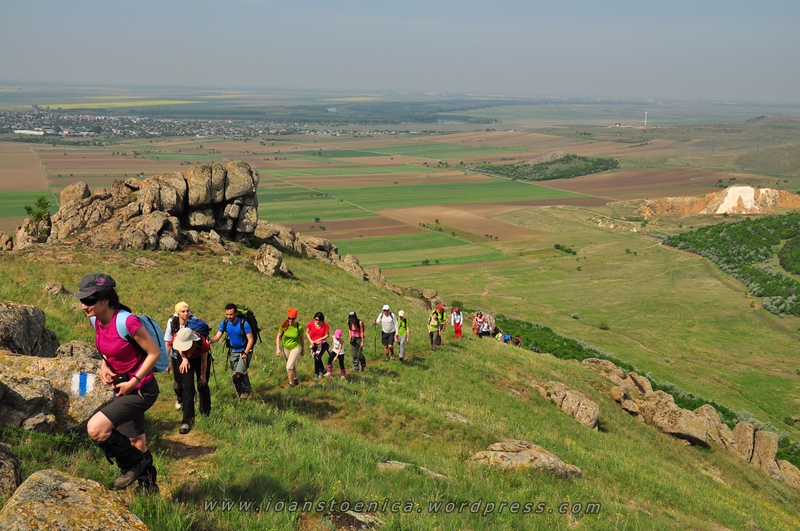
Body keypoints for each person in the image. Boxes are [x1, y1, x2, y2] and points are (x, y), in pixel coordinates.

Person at [79, 273, 160, 493]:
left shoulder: (127, 321)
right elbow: (108, 349)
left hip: (141, 390)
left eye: (89, 301)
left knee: (96, 429)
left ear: (106, 300)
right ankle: (149, 489)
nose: (84, 306)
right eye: (82, 301)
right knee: (136, 442)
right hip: (122, 388)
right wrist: (104, 365)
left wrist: (134, 381)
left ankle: (132, 464)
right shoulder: (95, 319)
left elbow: (154, 353)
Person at [209, 303, 254, 399]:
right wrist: (211, 340)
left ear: (236, 313)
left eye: (231, 314)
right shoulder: (224, 322)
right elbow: (217, 336)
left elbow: (251, 339)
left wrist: (246, 352)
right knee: (235, 375)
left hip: (244, 350)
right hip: (233, 350)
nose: (229, 317)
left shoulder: (244, 323)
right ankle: (240, 394)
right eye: (227, 314)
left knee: (239, 373)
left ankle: (246, 391)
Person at [171, 327, 211, 434]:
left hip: (200, 360)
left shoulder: (203, 343)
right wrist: (184, 358)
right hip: (183, 357)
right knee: (188, 386)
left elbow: (204, 361)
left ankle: (205, 412)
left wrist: (202, 376)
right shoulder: (177, 337)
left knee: (202, 385)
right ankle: (187, 421)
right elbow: (176, 347)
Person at [163, 301, 192, 411]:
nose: (186, 313)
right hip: (175, 356)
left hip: (190, 356)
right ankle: (180, 399)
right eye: (183, 311)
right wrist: (166, 361)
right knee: (178, 381)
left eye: (187, 311)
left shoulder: (192, 321)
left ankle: (189, 400)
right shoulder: (172, 322)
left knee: (188, 380)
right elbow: (168, 342)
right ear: (178, 312)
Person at [276, 308, 305, 387]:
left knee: (289, 367)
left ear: (295, 318)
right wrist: (278, 349)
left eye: (293, 319)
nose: (291, 320)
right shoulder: (284, 325)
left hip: (296, 347)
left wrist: (303, 349)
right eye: (289, 318)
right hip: (286, 348)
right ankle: (295, 379)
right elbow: (278, 337)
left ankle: (291, 384)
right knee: (292, 364)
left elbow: (302, 339)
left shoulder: (299, 327)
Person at [306, 311, 330, 379]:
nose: (317, 321)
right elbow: (307, 332)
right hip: (314, 343)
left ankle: (316, 373)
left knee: (317, 358)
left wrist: (320, 339)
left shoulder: (325, 325)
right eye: (316, 319)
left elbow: (328, 335)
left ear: (322, 320)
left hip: (322, 343)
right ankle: (323, 370)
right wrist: (311, 341)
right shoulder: (311, 324)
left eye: (319, 320)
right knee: (317, 357)